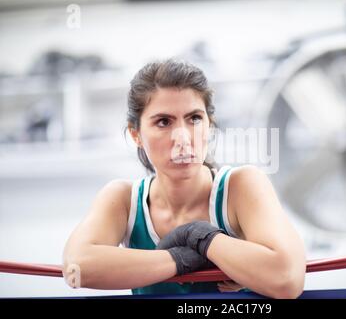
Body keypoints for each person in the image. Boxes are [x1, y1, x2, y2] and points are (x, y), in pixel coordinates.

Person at [62, 59, 306, 298]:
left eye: (195, 119)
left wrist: (199, 235)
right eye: (164, 122)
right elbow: (76, 268)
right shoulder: (124, 199)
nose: (183, 138)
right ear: (136, 134)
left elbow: (287, 279)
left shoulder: (241, 186)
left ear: (209, 126)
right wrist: (185, 256)